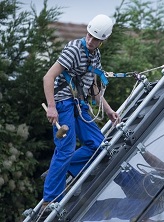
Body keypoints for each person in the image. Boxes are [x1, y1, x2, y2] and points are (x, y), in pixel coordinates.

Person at [38, 14, 120, 221]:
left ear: (104, 40)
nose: (91, 41)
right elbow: (49, 77)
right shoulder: (74, 49)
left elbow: (94, 89)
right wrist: (51, 107)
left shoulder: (95, 55)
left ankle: (58, 170)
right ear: (88, 31)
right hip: (63, 103)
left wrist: (108, 110)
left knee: (99, 145)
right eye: (90, 36)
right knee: (65, 149)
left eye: (96, 39)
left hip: (79, 104)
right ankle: (50, 200)